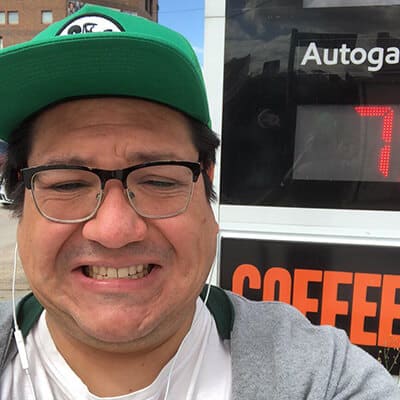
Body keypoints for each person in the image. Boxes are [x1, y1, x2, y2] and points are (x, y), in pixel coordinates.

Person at [0, 4, 398, 400]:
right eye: (68, 185)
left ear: (207, 184)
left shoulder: (324, 378)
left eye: (157, 179)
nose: (114, 230)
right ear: (20, 194)